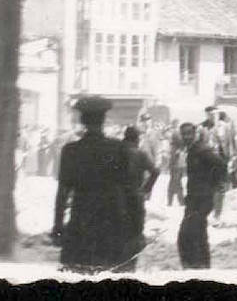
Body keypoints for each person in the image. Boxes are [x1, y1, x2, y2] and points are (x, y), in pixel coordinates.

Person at [52, 96, 134, 273]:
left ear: (82, 120)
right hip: (111, 221)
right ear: (104, 120)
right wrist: (133, 227)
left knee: (78, 273)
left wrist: (58, 226)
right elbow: (129, 190)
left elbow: (63, 192)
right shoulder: (119, 148)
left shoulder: (71, 151)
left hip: (81, 220)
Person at [177, 121, 228, 269]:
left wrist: (217, 184)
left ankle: (195, 264)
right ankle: (201, 264)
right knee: (198, 232)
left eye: (189, 133)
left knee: (188, 232)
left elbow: (221, 164)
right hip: (195, 197)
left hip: (203, 198)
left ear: (195, 134)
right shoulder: (193, 150)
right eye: (183, 134)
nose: (186, 137)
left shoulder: (201, 150)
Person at [119, 126, 161, 271]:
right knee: (135, 234)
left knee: (119, 233)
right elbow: (156, 171)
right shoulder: (141, 154)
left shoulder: (116, 152)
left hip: (118, 198)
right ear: (137, 139)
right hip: (136, 197)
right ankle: (131, 266)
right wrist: (146, 189)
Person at [166, 123, 188, 207]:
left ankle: (170, 201)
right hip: (176, 165)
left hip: (176, 165)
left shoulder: (174, 147)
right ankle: (180, 201)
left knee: (173, 182)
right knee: (176, 182)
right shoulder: (175, 148)